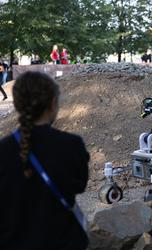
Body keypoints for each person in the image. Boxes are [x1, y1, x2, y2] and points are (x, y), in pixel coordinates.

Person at [0, 71, 90, 250]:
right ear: (53, 103)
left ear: (17, 105)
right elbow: (79, 186)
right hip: (62, 242)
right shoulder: (72, 145)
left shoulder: (3, 150)